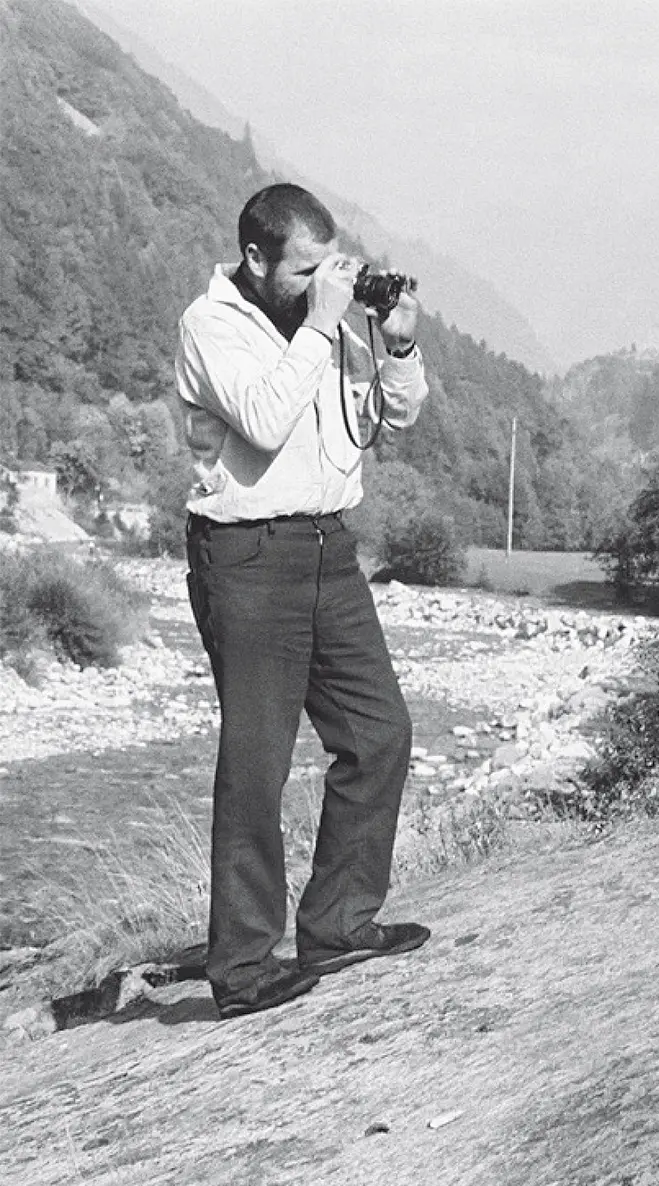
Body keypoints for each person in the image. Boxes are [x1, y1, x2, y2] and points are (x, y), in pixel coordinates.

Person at [176, 183, 431, 1019]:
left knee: (378, 733)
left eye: (331, 263)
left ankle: (339, 922)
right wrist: (323, 323)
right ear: (256, 259)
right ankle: (243, 966)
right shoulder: (210, 325)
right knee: (258, 759)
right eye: (306, 269)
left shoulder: (333, 317)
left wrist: (396, 346)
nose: (325, 280)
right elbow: (264, 417)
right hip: (247, 555)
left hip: (330, 546)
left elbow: (396, 418)